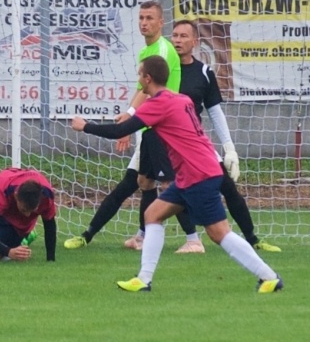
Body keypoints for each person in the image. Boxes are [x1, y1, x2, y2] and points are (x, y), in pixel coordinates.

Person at [71, 55, 283, 294]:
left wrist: (85, 126)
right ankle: (143, 279)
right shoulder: (181, 98)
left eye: (140, 75)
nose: (139, 79)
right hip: (193, 173)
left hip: (198, 174)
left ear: (147, 78)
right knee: (153, 214)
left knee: (219, 233)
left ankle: (269, 277)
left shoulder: (157, 104)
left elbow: (121, 130)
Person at [64, 0, 200, 252]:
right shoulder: (146, 52)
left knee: (168, 185)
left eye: (149, 18)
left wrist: (126, 123)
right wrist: (128, 116)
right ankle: (140, 236)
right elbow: (142, 90)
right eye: (141, 18)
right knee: (143, 182)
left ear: (161, 22)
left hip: (163, 131)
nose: (144, 23)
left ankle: (193, 239)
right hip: (150, 129)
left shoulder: (161, 51)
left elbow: (150, 92)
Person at [170, 19, 281, 253]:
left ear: (195, 41)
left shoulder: (203, 72)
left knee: (228, 188)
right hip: (169, 143)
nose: (178, 40)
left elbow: (214, 111)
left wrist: (229, 147)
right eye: (175, 35)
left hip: (197, 144)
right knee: (159, 187)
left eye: (183, 36)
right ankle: (190, 240)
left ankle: (252, 239)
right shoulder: (165, 70)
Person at [0, 167, 57, 262]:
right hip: (2, 203)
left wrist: (50, 260)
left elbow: (50, 226)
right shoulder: (1, 191)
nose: (28, 215)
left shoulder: (47, 196)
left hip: (17, 225)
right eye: (24, 210)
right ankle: (22, 241)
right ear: (16, 196)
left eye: (32, 210)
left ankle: (23, 236)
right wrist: (9, 252)